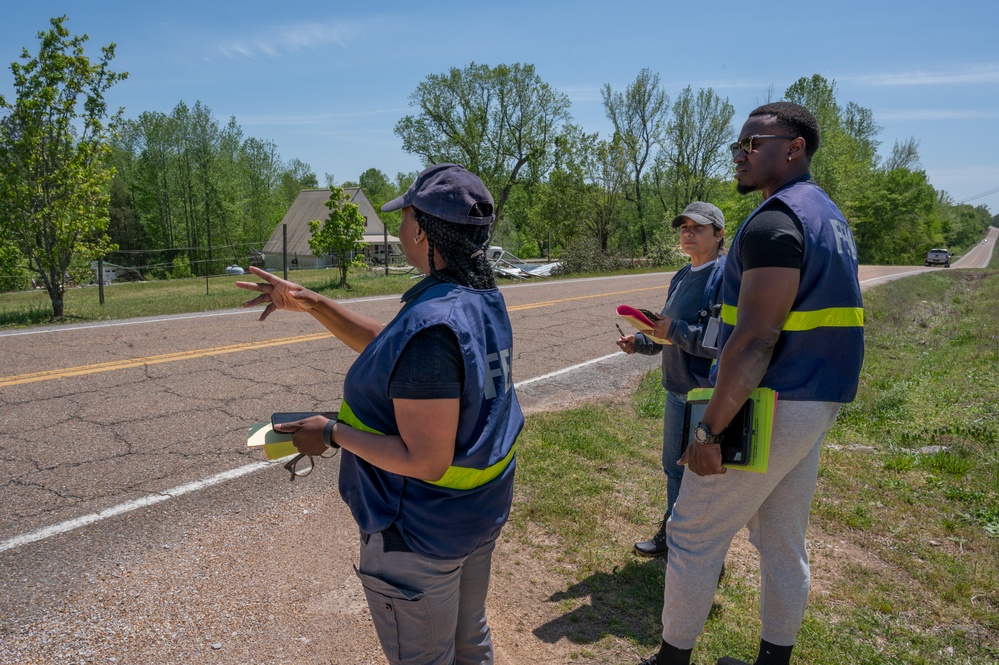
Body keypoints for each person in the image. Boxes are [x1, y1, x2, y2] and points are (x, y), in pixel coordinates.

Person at [237, 163, 523, 665]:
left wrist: (331, 433)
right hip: (475, 514)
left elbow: (426, 459)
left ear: (421, 229)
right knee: (469, 640)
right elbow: (392, 347)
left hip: (420, 531)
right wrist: (313, 303)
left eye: (404, 216)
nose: (398, 228)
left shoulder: (435, 324)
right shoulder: (475, 297)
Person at [637, 102, 864, 665]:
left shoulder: (774, 221)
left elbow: (756, 338)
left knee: (691, 532)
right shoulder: (826, 215)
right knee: (782, 540)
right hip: (817, 399)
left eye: (754, 143)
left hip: (773, 400)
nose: (740, 154)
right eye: (738, 144)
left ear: (795, 148)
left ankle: (670, 659)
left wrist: (709, 431)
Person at [617, 201, 727, 557]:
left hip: (707, 395)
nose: (688, 233)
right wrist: (643, 341)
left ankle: (701, 545)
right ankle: (673, 535)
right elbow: (669, 335)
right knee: (673, 468)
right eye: (684, 228)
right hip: (677, 389)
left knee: (705, 473)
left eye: (698, 227)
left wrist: (674, 329)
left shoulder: (725, 277)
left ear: (719, 234)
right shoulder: (681, 275)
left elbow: (720, 342)